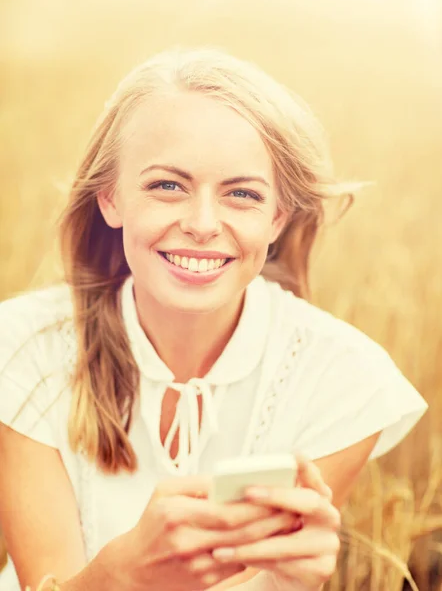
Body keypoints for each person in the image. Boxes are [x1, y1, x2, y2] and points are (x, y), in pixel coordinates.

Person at [0, 46, 427, 591]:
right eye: (167, 185)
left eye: (242, 194)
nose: (203, 224)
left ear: (278, 217)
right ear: (109, 197)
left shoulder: (343, 380)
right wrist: (121, 573)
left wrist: (290, 580)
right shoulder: (21, 348)